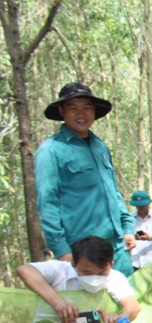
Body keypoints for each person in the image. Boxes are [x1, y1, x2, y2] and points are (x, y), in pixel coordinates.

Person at [35, 83, 135, 276]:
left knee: (129, 302)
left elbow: (113, 192)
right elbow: (47, 204)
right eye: (73, 108)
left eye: (86, 108)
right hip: (83, 253)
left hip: (117, 247)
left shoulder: (100, 147)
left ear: (94, 111)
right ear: (62, 111)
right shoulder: (50, 151)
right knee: (91, 306)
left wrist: (127, 227)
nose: (81, 114)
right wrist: (62, 250)